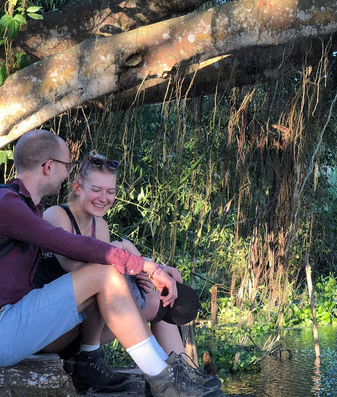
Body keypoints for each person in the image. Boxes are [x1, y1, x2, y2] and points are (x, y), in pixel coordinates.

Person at [0, 130, 224, 397]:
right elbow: (73, 247)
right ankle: (161, 379)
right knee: (103, 275)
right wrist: (146, 265)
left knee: (120, 282)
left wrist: (149, 266)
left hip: (9, 322)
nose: (68, 173)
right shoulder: (7, 206)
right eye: (66, 165)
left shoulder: (22, 205)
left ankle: (172, 375)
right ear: (48, 167)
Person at [36, 150, 221, 392]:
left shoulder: (99, 225)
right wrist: (126, 250)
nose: (104, 198)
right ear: (77, 187)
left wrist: (149, 271)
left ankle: (183, 376)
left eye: (110, 192)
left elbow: (108, 259)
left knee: (164, 301)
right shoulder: (56, 215)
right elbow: (79, 267)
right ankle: (90, 360)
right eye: (96, 190)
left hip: (85, 327)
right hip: (57, 330)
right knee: (103, 273)